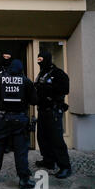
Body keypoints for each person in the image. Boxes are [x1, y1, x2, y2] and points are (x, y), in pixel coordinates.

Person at [0, 59, 38, 189]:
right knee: (21, 151)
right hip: (20, 119)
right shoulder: (26, 81)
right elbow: (34, 101)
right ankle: (23, 180)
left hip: (3, 118)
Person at [34, 50, 72, 179]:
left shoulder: (58, 73)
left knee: (56, 140)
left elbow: (65, 89)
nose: (39, 62)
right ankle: (48, 160)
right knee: (42, 137)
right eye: (38, 60)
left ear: (47, 59)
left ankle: (65, 166)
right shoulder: (41, 74)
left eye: (41, 60)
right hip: (43, 111)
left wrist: (49, 89)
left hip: (53, 111)